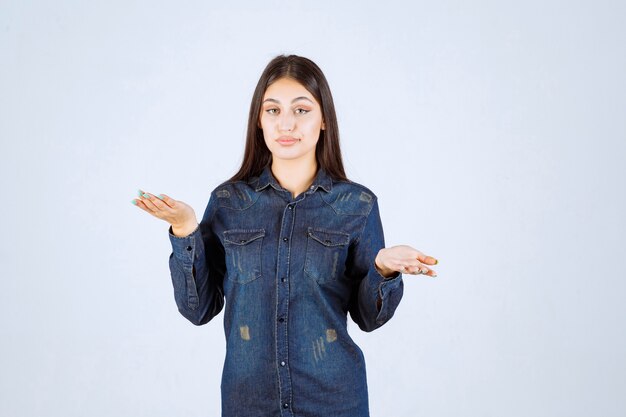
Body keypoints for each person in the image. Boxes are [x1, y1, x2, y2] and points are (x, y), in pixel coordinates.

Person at [131, 54, 438, 417]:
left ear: (324, 120)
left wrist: (383, 271)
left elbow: (369, 319)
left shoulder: (357, 204)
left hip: (334, 402)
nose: (286, 124)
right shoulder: (229, 203)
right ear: (259, 121)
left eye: (301, 110)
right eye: (273, 110)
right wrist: (185, 230)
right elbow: (198, 310)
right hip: (249, 403)